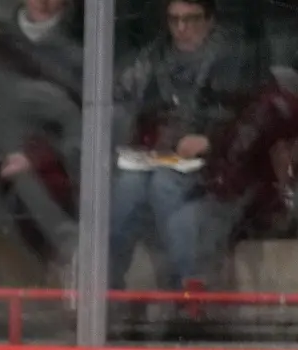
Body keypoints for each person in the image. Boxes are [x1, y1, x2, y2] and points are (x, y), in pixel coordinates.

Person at [108, 0, 252, 291]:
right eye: (174, 20)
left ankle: (183, 285)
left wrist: (210, 140)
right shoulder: (154, 57)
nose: (181, 29)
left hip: (214, 161)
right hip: (161, 152)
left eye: (191, 19)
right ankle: (107, 282)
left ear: (210, 20)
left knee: (165, 185)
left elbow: (248, 118)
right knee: (127, 186)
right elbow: (121, 97)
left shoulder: (234, 59)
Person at [0, 0, 84, 290]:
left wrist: (38, 159)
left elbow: (85, 124)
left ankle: (56, 276)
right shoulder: (2, 48)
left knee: (34, 195)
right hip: (4, 168)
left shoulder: (83, 46)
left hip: (61, 177)